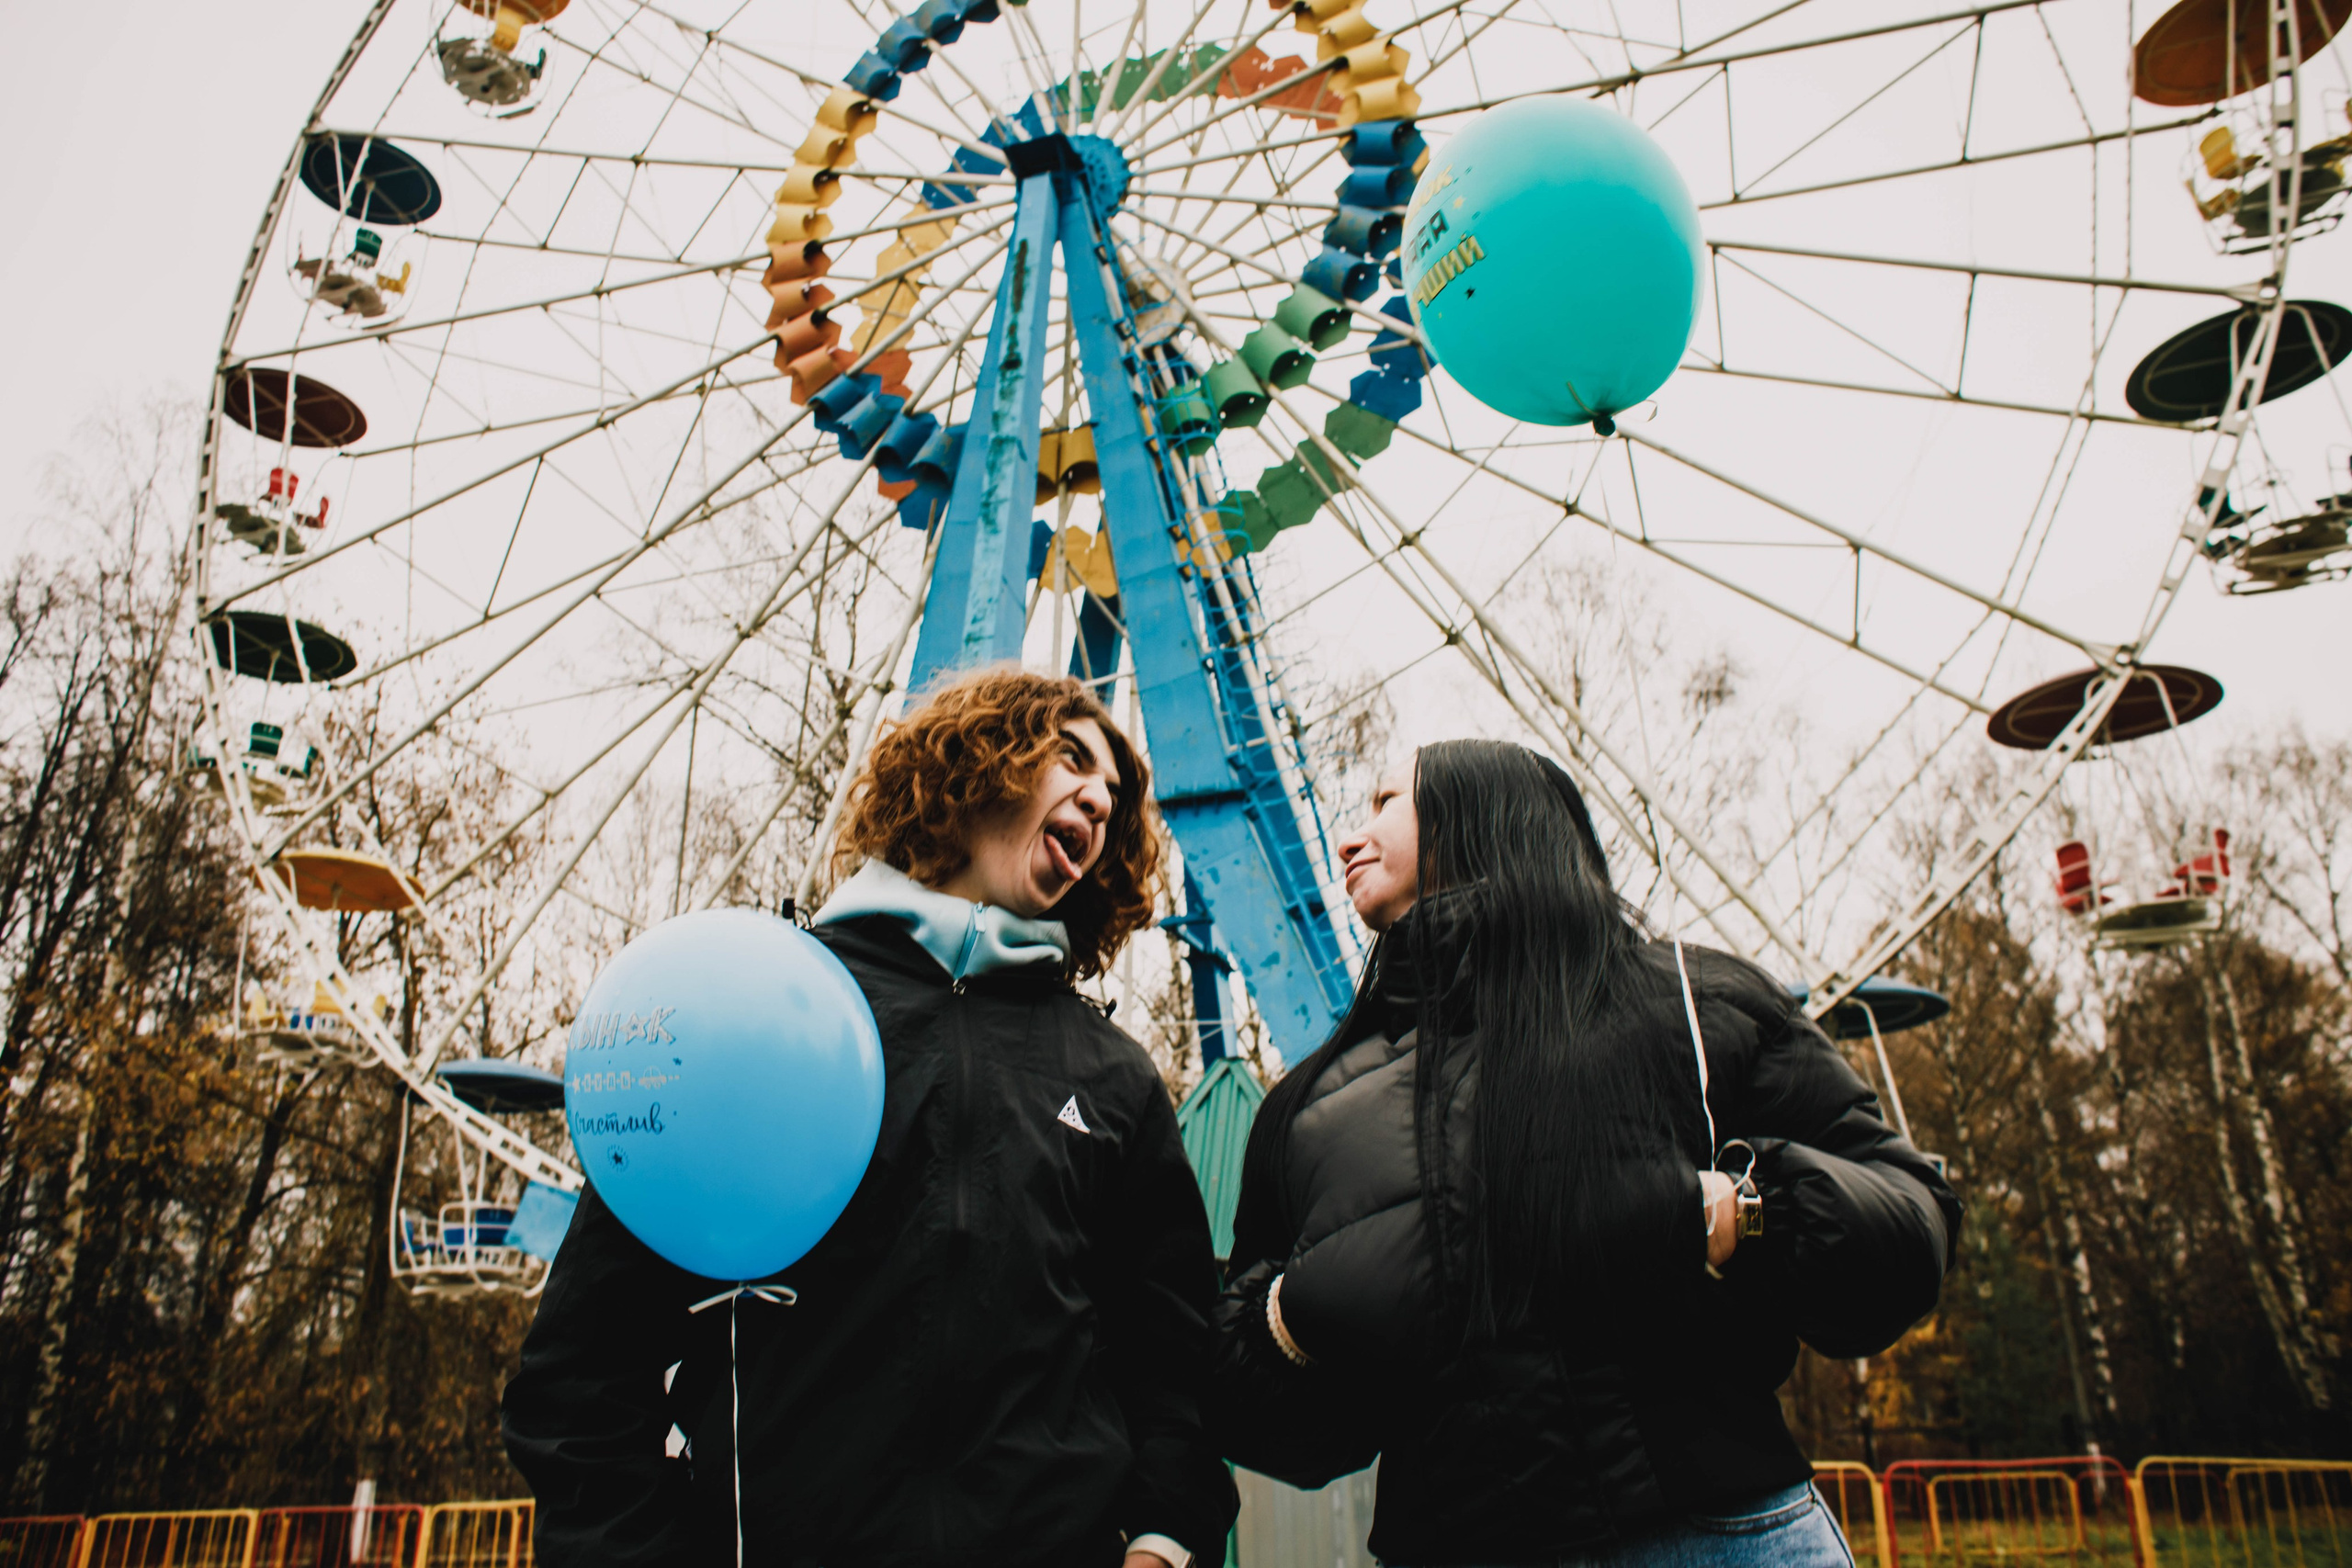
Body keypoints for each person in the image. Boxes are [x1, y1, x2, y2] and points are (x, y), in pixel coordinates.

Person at [505, 668, 1238, 1568]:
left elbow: (1170, 1367)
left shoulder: (1114, 1077)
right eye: (1072, 756)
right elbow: (582, 1371)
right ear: (976, 762)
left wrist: (1163, 1542)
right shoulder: (754, 1012)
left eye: (1114, 796)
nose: (1098, 793)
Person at [1209, 739, 1962, 1567]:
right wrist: (1288, 1321)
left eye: (1386, 802)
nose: (1350, 837)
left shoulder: (1692, 1005)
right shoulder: (1309, 1107)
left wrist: (1734, 1213)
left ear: (1484, 807)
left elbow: (1914, 1224)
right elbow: (1267, 1421)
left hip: (1713, 1535)